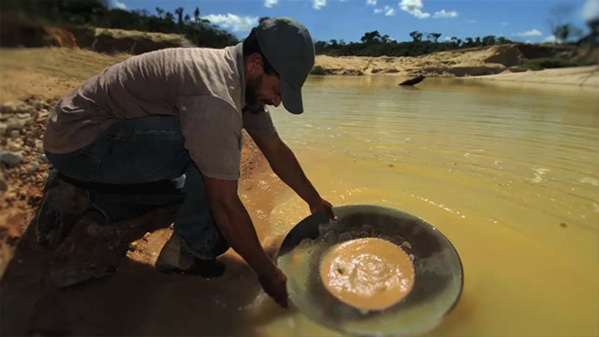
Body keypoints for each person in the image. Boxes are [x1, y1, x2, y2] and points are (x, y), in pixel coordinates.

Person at [35, 17, 335, 308]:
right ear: (256, 63)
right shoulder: (217, 97)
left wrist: (313, 200)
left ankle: (86, 191)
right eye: (278, 91)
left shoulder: (235, 75)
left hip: (79, 129)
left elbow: (275, 148)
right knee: (220, 150)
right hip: (78, 144)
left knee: (190, 178)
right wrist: (268, 273)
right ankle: (187, 253)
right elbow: (225, 205)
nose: (277, 102)